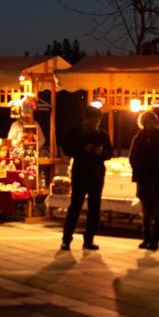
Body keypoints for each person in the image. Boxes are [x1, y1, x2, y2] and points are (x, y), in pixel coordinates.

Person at [60, 106, 112, 251]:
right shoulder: (77, 132)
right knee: (75, 206)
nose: (95, 123)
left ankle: (89, 239)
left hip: (97, 174)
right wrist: (82, 148)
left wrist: (101, 152)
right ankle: (66, 239)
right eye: (92, 120)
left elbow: (110, 153)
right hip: (80, 173)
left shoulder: (102, 134)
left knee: (94, 208)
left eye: (98, 121)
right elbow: (66, 149)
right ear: (86, 119)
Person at [129, 110, 159, 251]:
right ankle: (147, 239)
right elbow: (132, 158)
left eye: (150, 121)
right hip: (145, 179)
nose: (148, 124)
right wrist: (140, 168)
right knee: (147, 212)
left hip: (156, 179)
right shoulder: (139, 138)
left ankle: (154, 240)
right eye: (146, 122)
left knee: (156, 211)